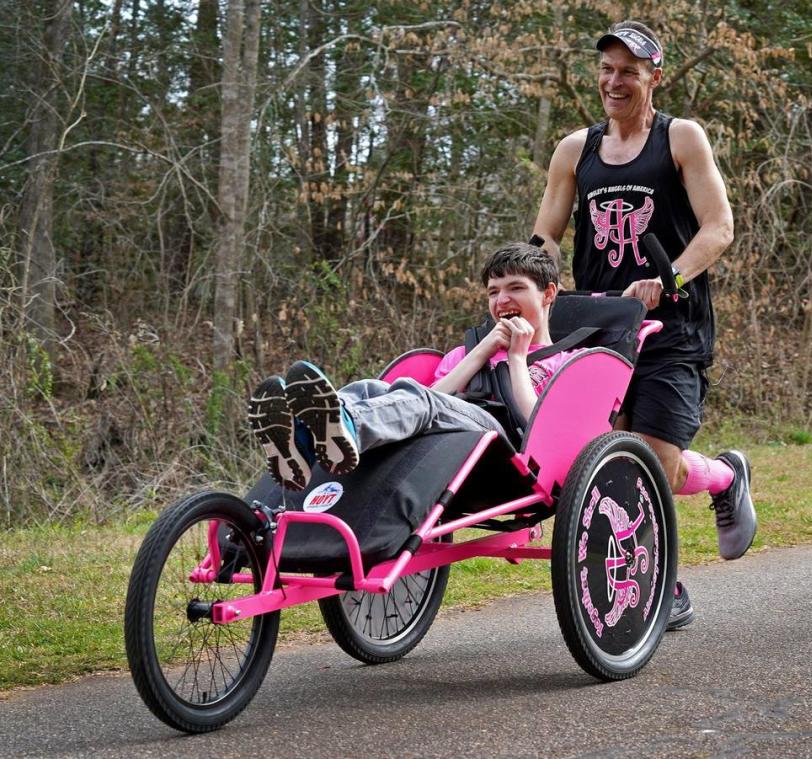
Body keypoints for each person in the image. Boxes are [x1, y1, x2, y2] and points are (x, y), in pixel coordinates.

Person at [532, 20, 757, 630]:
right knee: (609, 462)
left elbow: (719, 227)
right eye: (606, 69)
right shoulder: (574, 150)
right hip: (600, 330)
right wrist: (532, 286)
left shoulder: (681, 139)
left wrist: (672, 278)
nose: (614, 80)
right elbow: (546, 234)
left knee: (655, 458)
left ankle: (665, 577)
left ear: (654, 76)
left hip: (673, 327)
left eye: (628, 70)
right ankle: (709, 500)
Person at [247, 242, 578, 489]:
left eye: (515, 288)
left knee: (418, 398)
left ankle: (346, 427)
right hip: (441, 436)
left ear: (548, 294)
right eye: (493, 292)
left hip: (502, 450)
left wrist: (517, 358)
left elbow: (537, 426)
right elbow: (432, 398)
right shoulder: (462, 354)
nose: (501, 300)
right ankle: (302, 444)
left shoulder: (566, 363)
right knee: (372, 388)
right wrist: (480, 352)